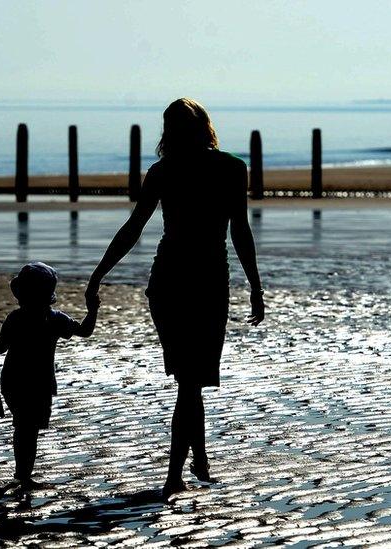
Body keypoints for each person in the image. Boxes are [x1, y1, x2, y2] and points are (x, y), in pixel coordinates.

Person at [85, 98, 265, 499]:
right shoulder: (231, 168)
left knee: (191, 380)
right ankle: (174, 476)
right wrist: (254, 285)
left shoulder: (164, 171)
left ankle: (197, 459)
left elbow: (133, 227)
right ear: (205, 126)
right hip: (203, 282)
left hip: (168, 281)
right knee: (190, 381)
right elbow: (240, 232)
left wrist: (99, 274)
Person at [0, 261, 99, 488]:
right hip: (39, 383)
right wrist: (93, 310)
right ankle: (23, 476)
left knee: (24, 428)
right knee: (28, 429)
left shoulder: (16, 317)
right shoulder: (55, 319)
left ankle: (23, 475)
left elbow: (1, 346)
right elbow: (85, 331)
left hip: (13, 380)